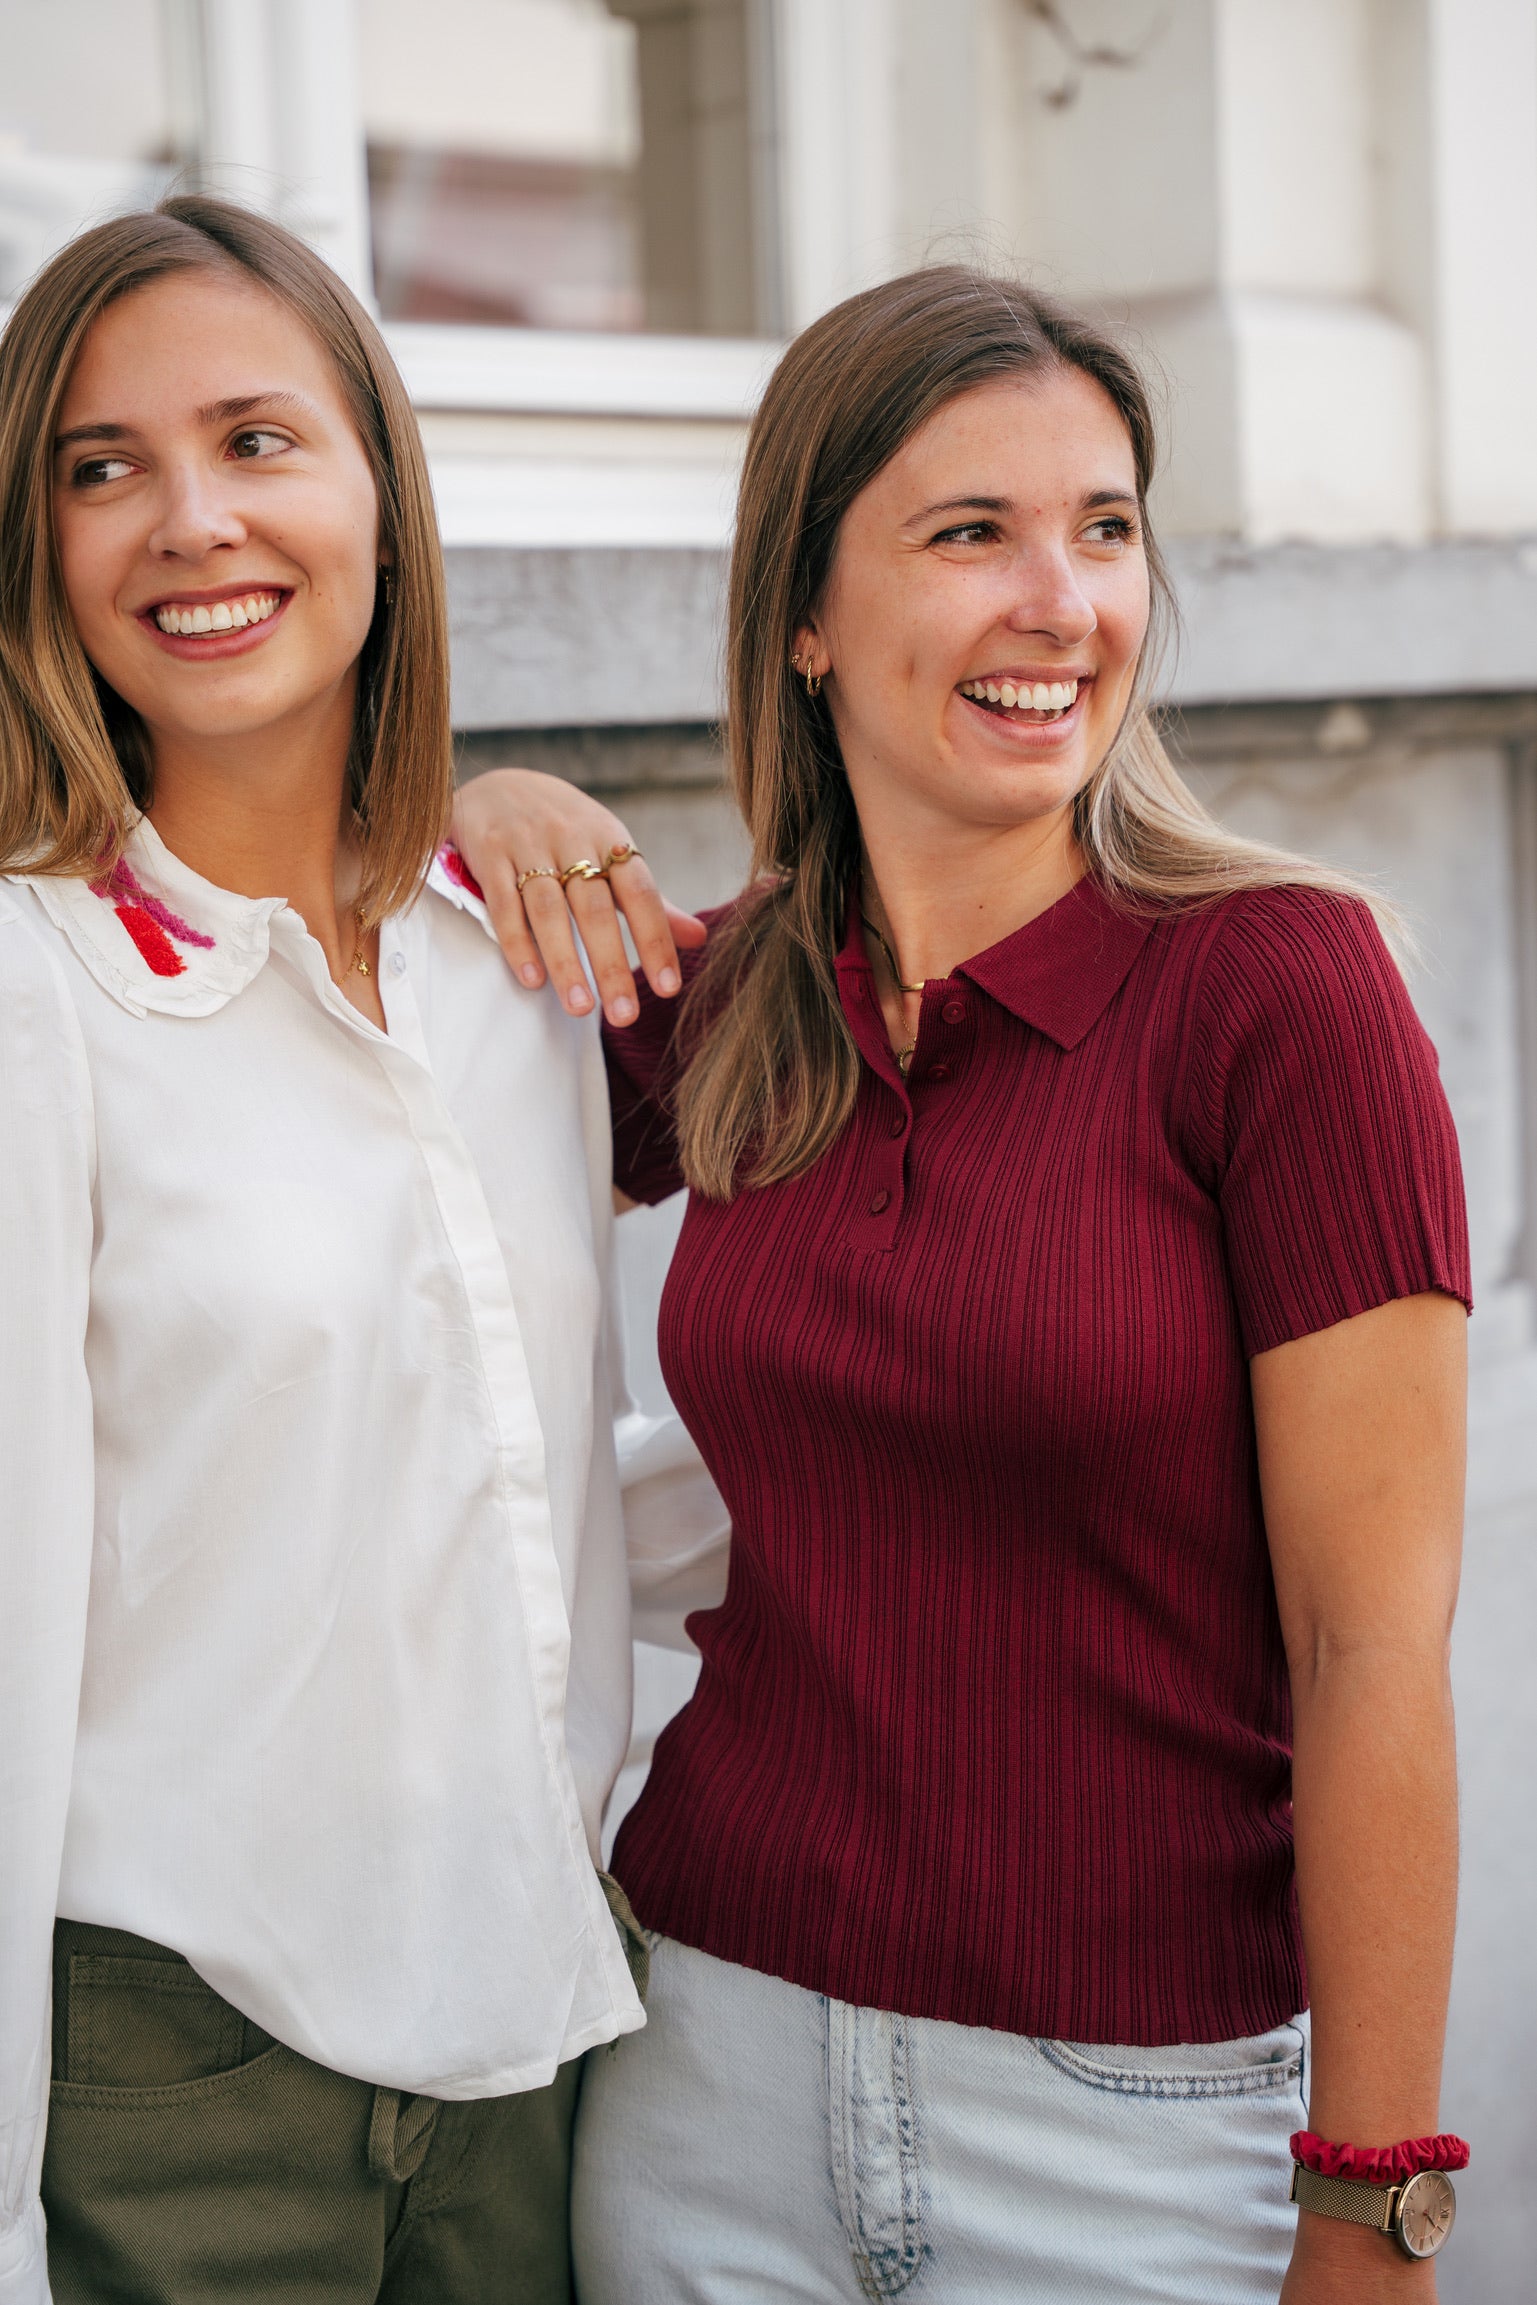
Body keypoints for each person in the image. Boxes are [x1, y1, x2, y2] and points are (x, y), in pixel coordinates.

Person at [451, 267, 1472, 2302]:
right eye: (966, 533)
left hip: (1129, 2129)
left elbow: (1371, 1650)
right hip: (700, 2069)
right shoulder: (737, 998)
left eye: (1100, 529)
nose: (1059, 600)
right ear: (805, 618)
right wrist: (471, 810)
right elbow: (367, 1060)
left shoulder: (1281, 993)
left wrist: (1373, 2196)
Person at [0, 197, 650, 2305]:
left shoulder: (520, 959)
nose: (189, 519)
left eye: (258, 440)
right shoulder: (39, 982)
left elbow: (535, 1456)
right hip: (171, 2084)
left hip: (537, 2053)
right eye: (102, 468)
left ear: (380, 484)